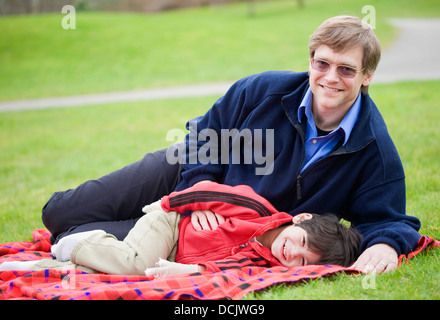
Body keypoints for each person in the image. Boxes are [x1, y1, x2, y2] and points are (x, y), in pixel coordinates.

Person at [41, 15, 421, 274]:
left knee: (76, 237)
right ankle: (70, 231)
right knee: (57, 214)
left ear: (367, 76)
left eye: (346, 69)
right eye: (322, 64)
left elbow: (388, 219)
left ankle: (71, 241)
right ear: (310, 61)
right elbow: (203, 136)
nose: (330, 78)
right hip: (185, 173)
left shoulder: (372, 148)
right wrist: (196, 190)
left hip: (222, 229)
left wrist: (386, 244)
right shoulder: (262, 91)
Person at [0, 182, 362, 275]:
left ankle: (32, 267)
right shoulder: (257, 210)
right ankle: (76, 243)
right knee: (136, 264)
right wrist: (167, 205)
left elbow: (227, 272)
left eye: (301, 262)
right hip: (172, 223)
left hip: (174, 253)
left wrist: (190, 270)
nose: (291, 253)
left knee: (103, 275)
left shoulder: (264, 264)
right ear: (300, 220)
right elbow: (208, 193)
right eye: (299, 243)